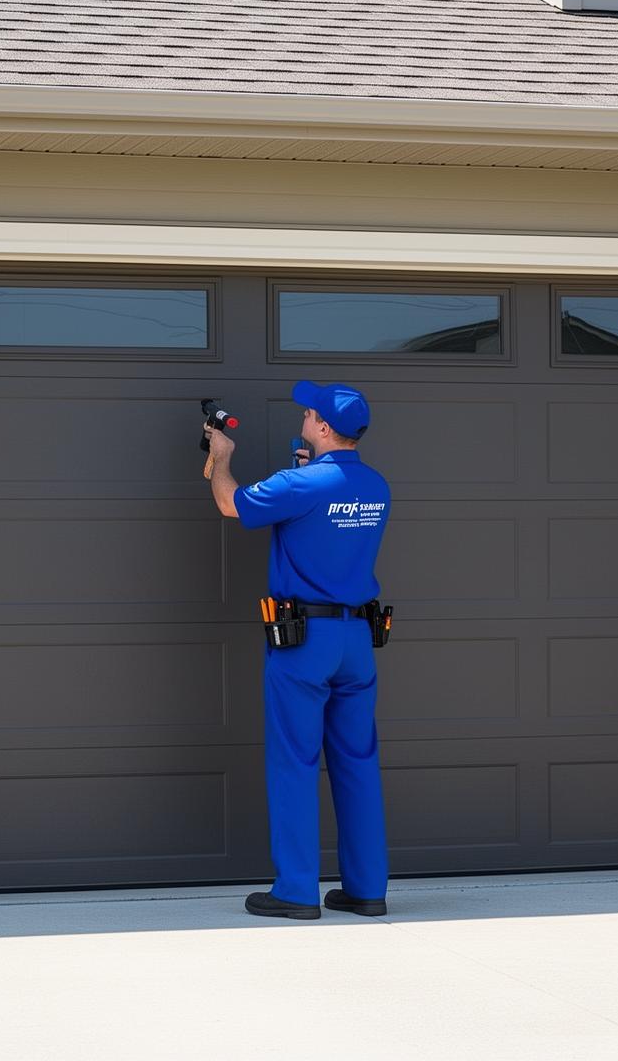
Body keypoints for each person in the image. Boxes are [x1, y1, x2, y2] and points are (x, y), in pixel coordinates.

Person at [203, 380, 392, 920]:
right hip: (357, 639)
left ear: (326, 428)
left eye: (311, 413)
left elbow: (228, 503)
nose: (305, 418)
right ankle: (365, 889)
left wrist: (222, 456)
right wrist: (307, 470)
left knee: (295, 761)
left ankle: (295, 890)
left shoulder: (300, 484)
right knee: (357, 763)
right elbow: (330, 511)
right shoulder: (376, 486)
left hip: (304, 642)